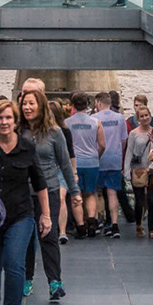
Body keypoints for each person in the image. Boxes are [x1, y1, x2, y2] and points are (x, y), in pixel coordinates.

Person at [0, 98, 50, 305]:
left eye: (8, 117)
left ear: (15, 120)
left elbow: (40, 182)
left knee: (14, 263)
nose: (4, 122)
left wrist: (46, 216)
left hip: (21, 214)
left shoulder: (27, 146)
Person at [18, 87, 73, 301]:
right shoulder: (17, 132)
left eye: (31, 103)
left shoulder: (54, 132)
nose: (27, 107)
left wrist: (74, 190)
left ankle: (54, 282)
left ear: (41, 105)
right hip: (23, 192)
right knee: (26, 238)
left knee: (48, 236)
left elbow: (65, 162)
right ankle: (26, 279)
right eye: (24, 104)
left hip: (49, 190)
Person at [65, 90, 107, 236]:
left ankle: (80, 227)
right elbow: (102, 144)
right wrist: (96, 155)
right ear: (88, 104)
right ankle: (91, 222)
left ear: (73, 105)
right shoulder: (96, 122)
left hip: (74, 164)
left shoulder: (67, 123)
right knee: (91, 193)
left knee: (75, 195)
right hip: (92, 162)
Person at [93, 91, 129, 233]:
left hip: (99, 158)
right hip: (115, 158)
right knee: (112, 192)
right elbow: (124, 140)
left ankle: (95, 221)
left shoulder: (94, 118)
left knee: (94, 192)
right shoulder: (120, 118)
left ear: (99, 103)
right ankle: (114, 224)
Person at [125, 108, 153, 237]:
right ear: (138, 119)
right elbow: (129, 152)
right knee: (139, 200)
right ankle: (139, 224)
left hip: (151, 169)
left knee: (152, 199)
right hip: (138, 169)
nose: (145, 118)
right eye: (142, 116)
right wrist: (127, 171)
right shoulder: (133, 134)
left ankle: (152, 227)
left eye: (147, 115)